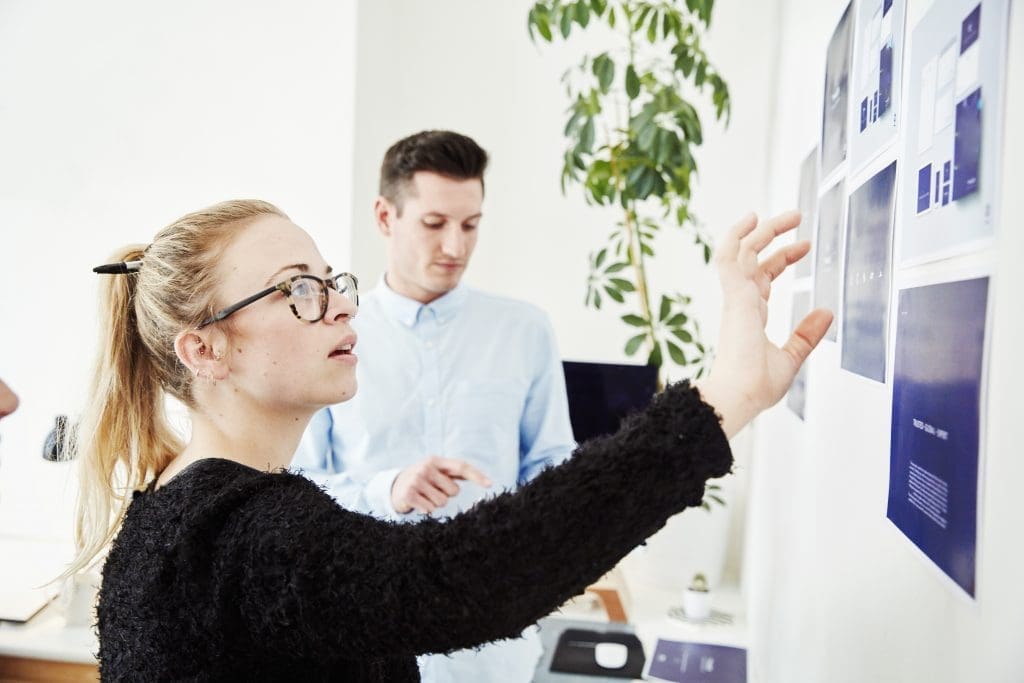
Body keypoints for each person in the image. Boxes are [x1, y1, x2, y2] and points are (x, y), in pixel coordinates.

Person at [71, 199, 829, 681]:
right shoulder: (240, 531)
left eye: (333, 281)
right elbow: (467, 576)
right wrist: (723, 396)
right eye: (298, 288)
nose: (339, 306)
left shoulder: (191, 503)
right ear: (203, 349)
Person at [293, 130, 576, 681]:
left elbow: (555, 466)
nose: (456, 247)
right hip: (363, 632)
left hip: (494, 645)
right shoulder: (331, 334)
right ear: (384, 217)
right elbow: (295, 483)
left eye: (470, 225)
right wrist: (387, 490)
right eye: (434, 224)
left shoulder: (525, 331)